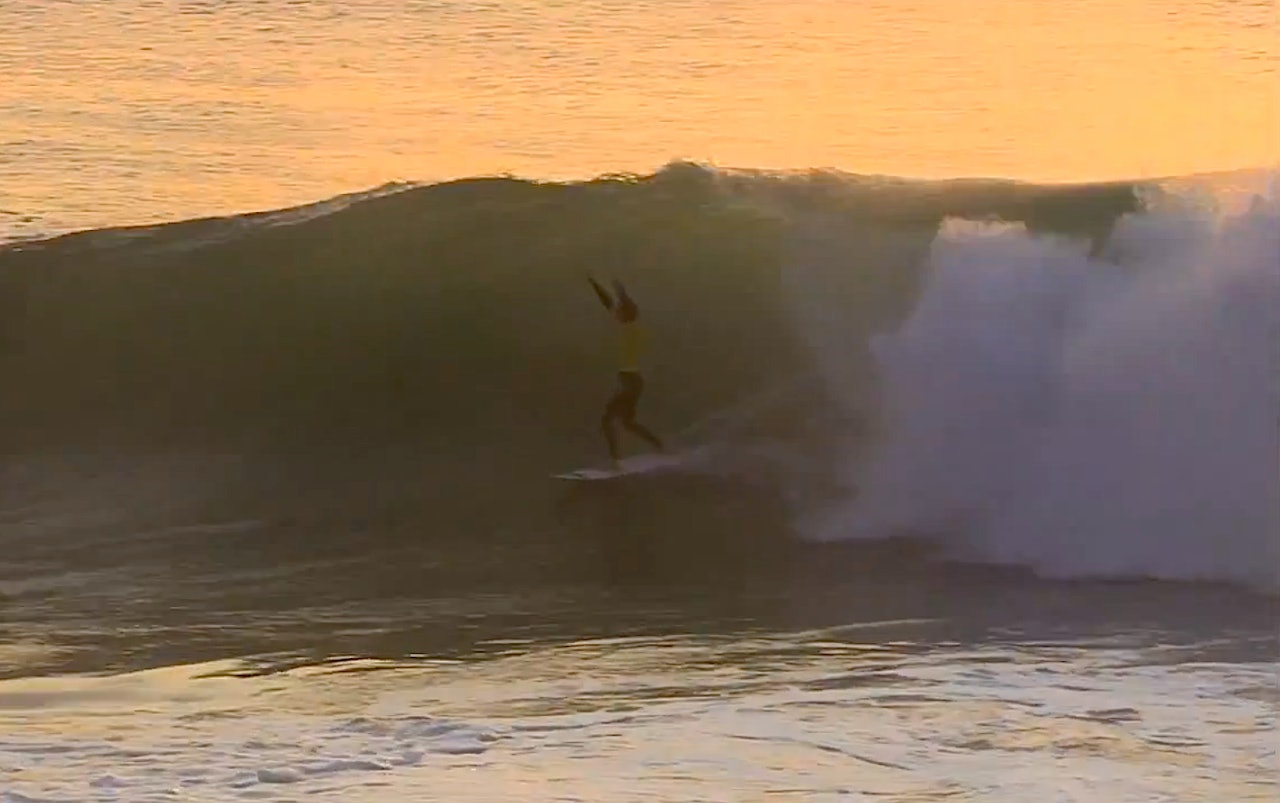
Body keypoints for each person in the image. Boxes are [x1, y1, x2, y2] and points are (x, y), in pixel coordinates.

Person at [588, 274, 665, 466]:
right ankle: (660, 446)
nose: (616, 314)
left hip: (629, 382)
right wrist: (598, 285)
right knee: (627, 423)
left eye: (620, 312)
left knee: (607, 420)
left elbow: (618, 306)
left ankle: (615, 460)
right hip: (633, 381)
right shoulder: (631, 327)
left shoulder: (630, 329)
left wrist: (620, 292)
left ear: (626, 314)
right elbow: (611, 305)